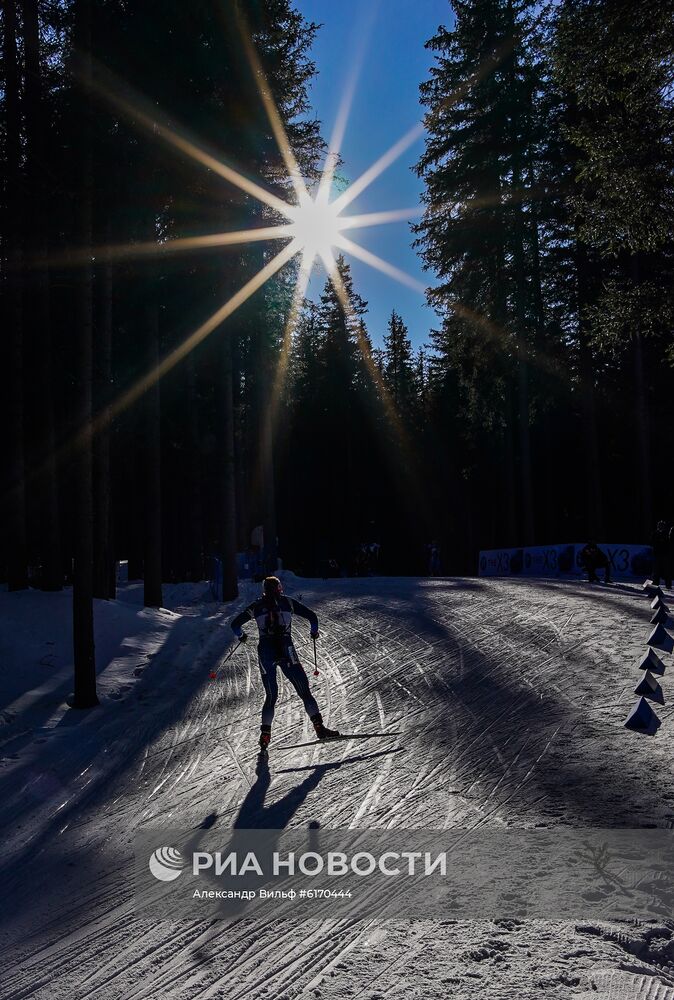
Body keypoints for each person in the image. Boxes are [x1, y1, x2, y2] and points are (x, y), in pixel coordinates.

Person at [230, 576, 339, 750]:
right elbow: (312, 617)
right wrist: (314, 633)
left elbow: (235, 624)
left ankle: (265, 736)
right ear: (279, 588)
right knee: (304, 691)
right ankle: (319, 728)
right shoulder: (288, 602)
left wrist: (242, 636)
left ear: (264, 590)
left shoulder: (256, 606)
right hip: (286, 648)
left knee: (271, 696)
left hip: (266, 650)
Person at [652, 520, 672, 589]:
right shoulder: (655, 533)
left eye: (661, 526)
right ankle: (655, 585)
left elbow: (669, 544)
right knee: (656, 572)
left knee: (667, 571)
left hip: (665, 555)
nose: (660, 527)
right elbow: (652, 542)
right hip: (657, 555)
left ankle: (668, 585)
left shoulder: (667, 534)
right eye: (659, 526)